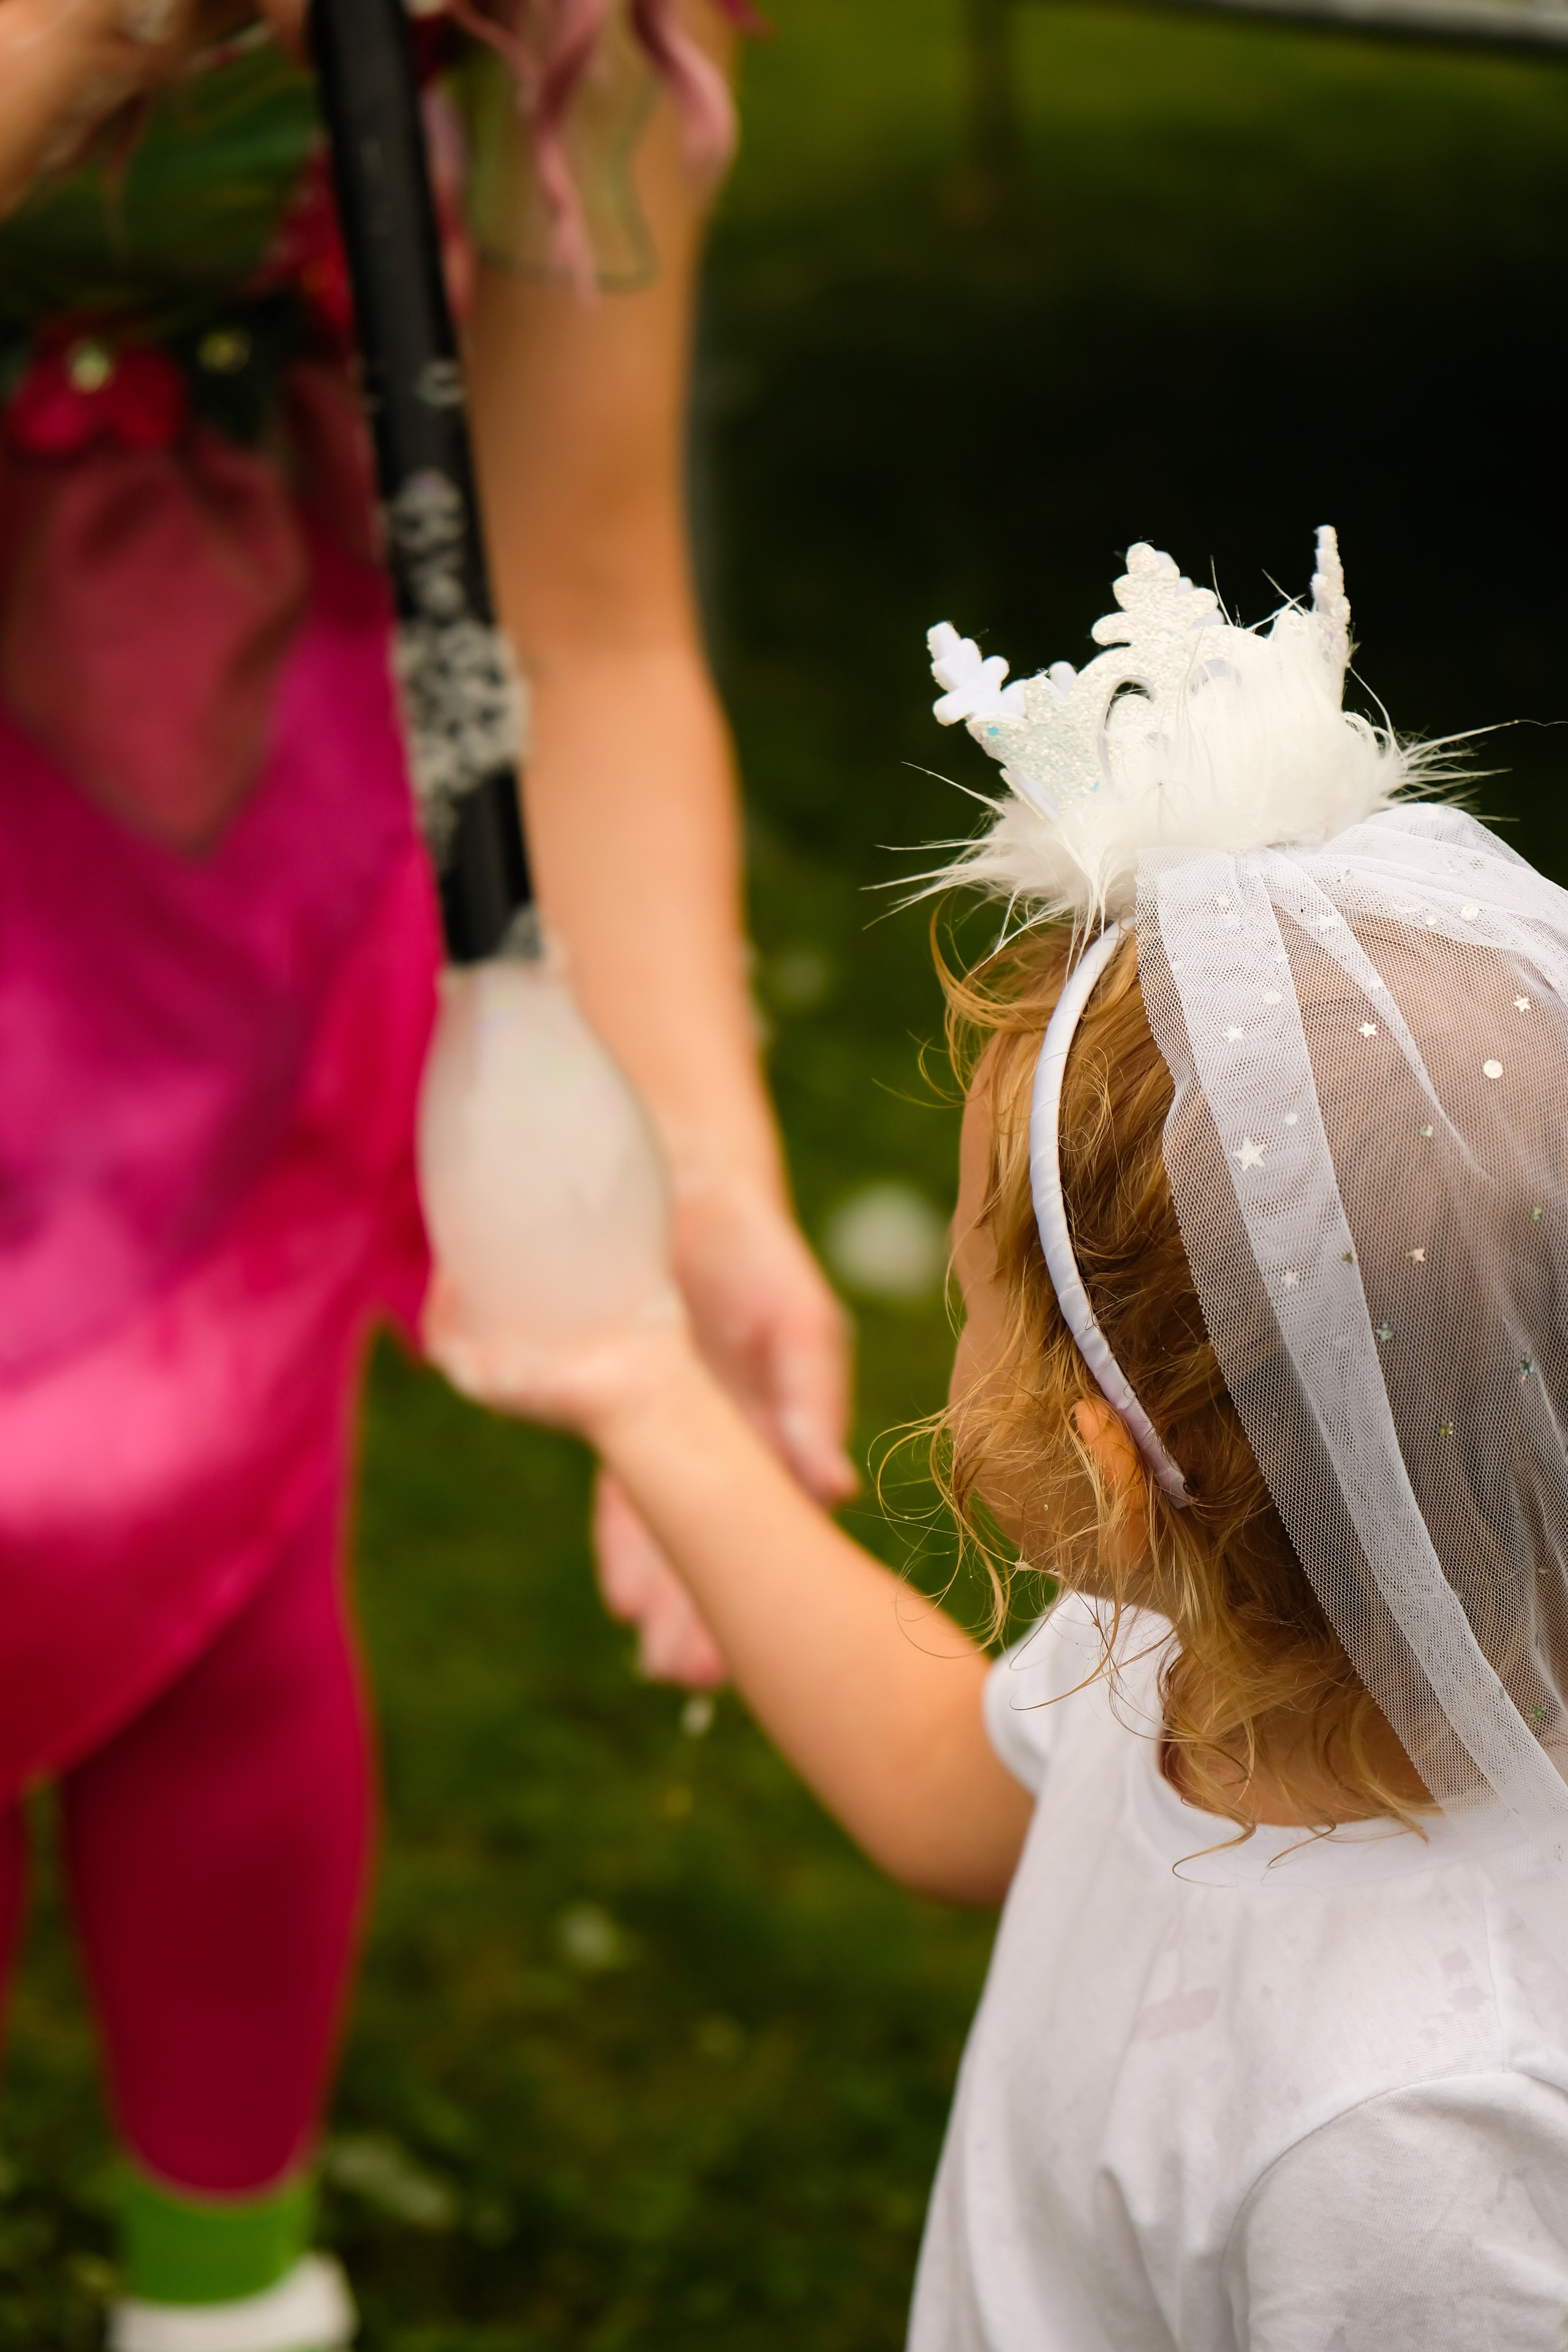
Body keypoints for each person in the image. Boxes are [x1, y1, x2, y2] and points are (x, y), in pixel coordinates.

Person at [0, 2, 847, 2342]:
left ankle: (225, 2284)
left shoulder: (567, 36)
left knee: (209, 1528)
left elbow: (581, 622)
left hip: (210, 812)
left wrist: (694, 1164)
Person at [488, 530, 1568, 2347]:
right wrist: (640, 1394)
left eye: (987, 1270)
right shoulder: (1239, 1634)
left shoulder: (1417, 2140)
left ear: (1109, 1463)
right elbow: (937, 1787)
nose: (955, 1301)